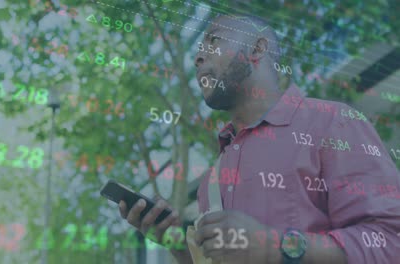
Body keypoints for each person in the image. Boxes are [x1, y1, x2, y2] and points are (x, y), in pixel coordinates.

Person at [119, 14, 400, 264]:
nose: (197, 57)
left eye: (212, 41)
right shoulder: (212, 178)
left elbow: (390, 241)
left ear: (257, 48)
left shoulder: (333, 123)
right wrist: (175, 242)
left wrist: (276, 247)